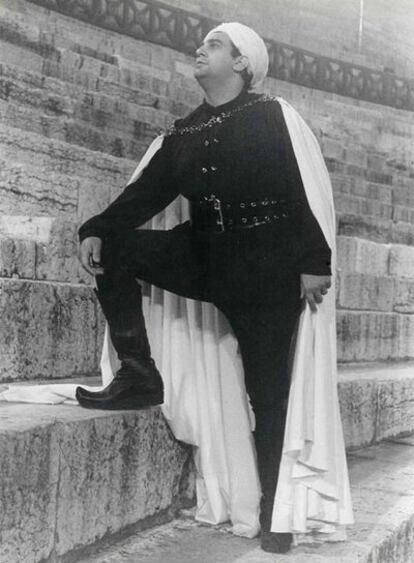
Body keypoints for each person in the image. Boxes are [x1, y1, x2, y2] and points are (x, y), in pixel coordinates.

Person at [76, 22, 332, 553]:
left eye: (214, 44)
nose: (199, 48)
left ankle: (273, 512)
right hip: (206, 253)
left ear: (242, 63)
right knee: (117, 248)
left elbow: (301, 184)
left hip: (268, 264)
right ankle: (140, 373)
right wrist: (96, 228)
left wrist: (314, 259)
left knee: (268, 391)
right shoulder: (185, 131)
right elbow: (146, 195)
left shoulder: (271, 115)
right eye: (203, 42)